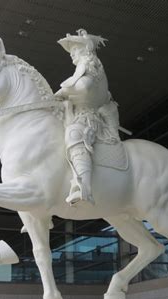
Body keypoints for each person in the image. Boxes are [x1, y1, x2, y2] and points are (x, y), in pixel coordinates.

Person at [55, 29, 120, 205]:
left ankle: (83, 188)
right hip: (77, 114)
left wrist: (63, 91)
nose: (72, 55)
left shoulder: (90, 65)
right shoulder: (85, 66)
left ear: (84, 50)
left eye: (74, 51)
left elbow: (84, 87)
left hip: (89, 118)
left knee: (74, 134)